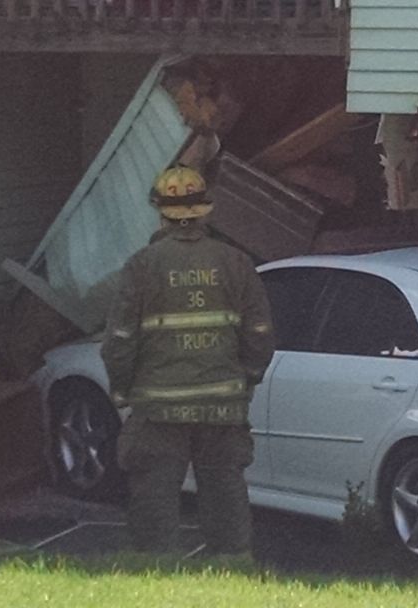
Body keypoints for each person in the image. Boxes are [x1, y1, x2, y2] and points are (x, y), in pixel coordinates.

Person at [102, 165, 274, 557]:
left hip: (159, 411)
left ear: (161, 213)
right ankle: (233, 577)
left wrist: (121, 389)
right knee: (226, 494)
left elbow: (120, 341)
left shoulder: (142, 266)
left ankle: (158, 577)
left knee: (154, 500)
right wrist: (246, 379)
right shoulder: (236, 263)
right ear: (205, 211)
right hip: (223, 408)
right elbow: (261, 336)